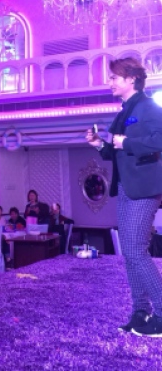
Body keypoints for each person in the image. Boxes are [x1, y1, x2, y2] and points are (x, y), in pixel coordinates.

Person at [86, 57, 162, 337]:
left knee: (135, 252)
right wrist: (100, 146)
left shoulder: (147, 106)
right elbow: (117, 153)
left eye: (114, 77)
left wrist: (126, 142)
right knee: (130, 256)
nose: (110, 82)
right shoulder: (124, 111)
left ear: (131, 79)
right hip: (128, 188)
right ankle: (141, 313)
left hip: (144, 188)